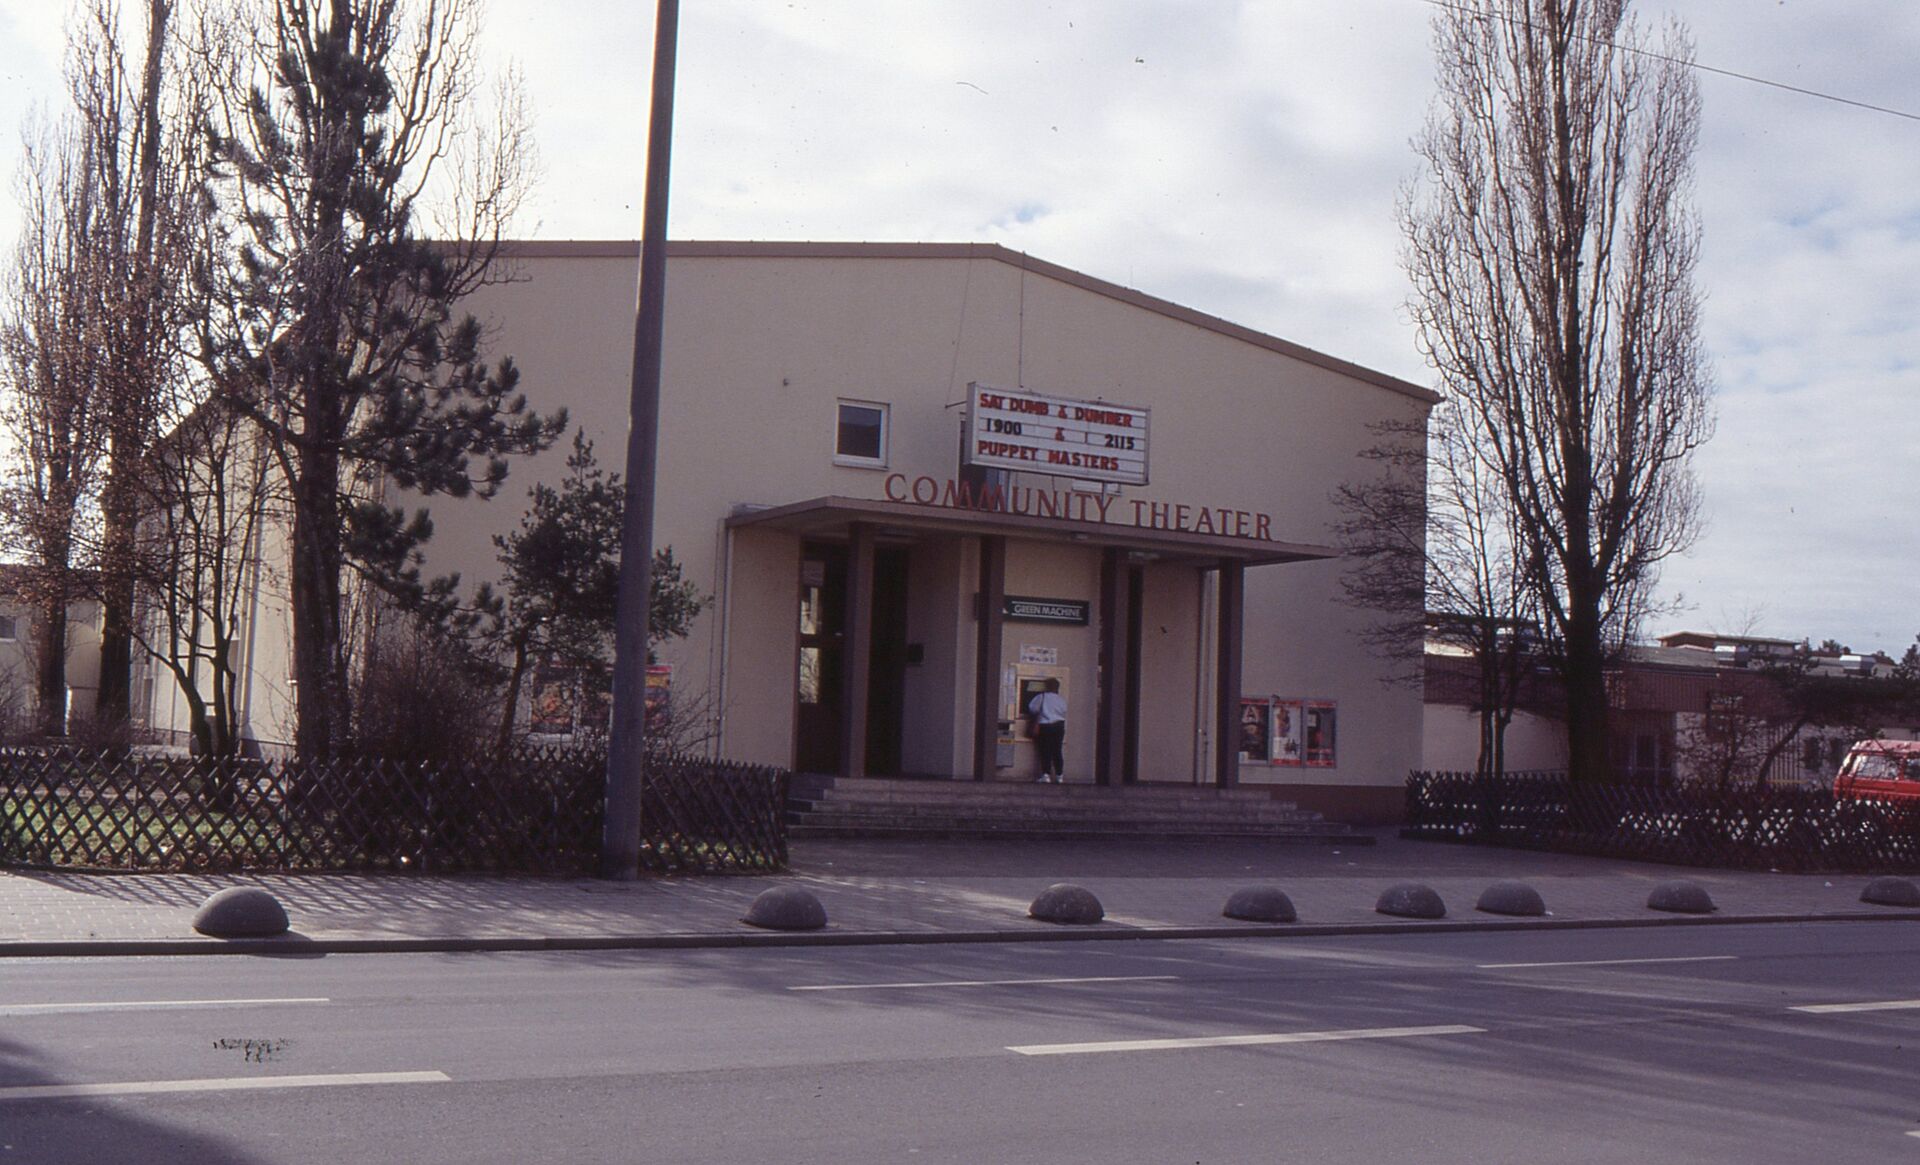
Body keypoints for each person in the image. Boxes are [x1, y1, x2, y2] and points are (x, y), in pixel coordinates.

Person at [1027, 678, 1068, 783]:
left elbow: (1032, 709)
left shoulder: (1041, 697)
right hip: (1059, 726)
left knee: (1045, 750)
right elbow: (1064, 711)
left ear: (1046, 686)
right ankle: (1059, 775)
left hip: (1045, 726)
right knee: (1057, 750)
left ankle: (1046, 775)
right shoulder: (1061, 700)